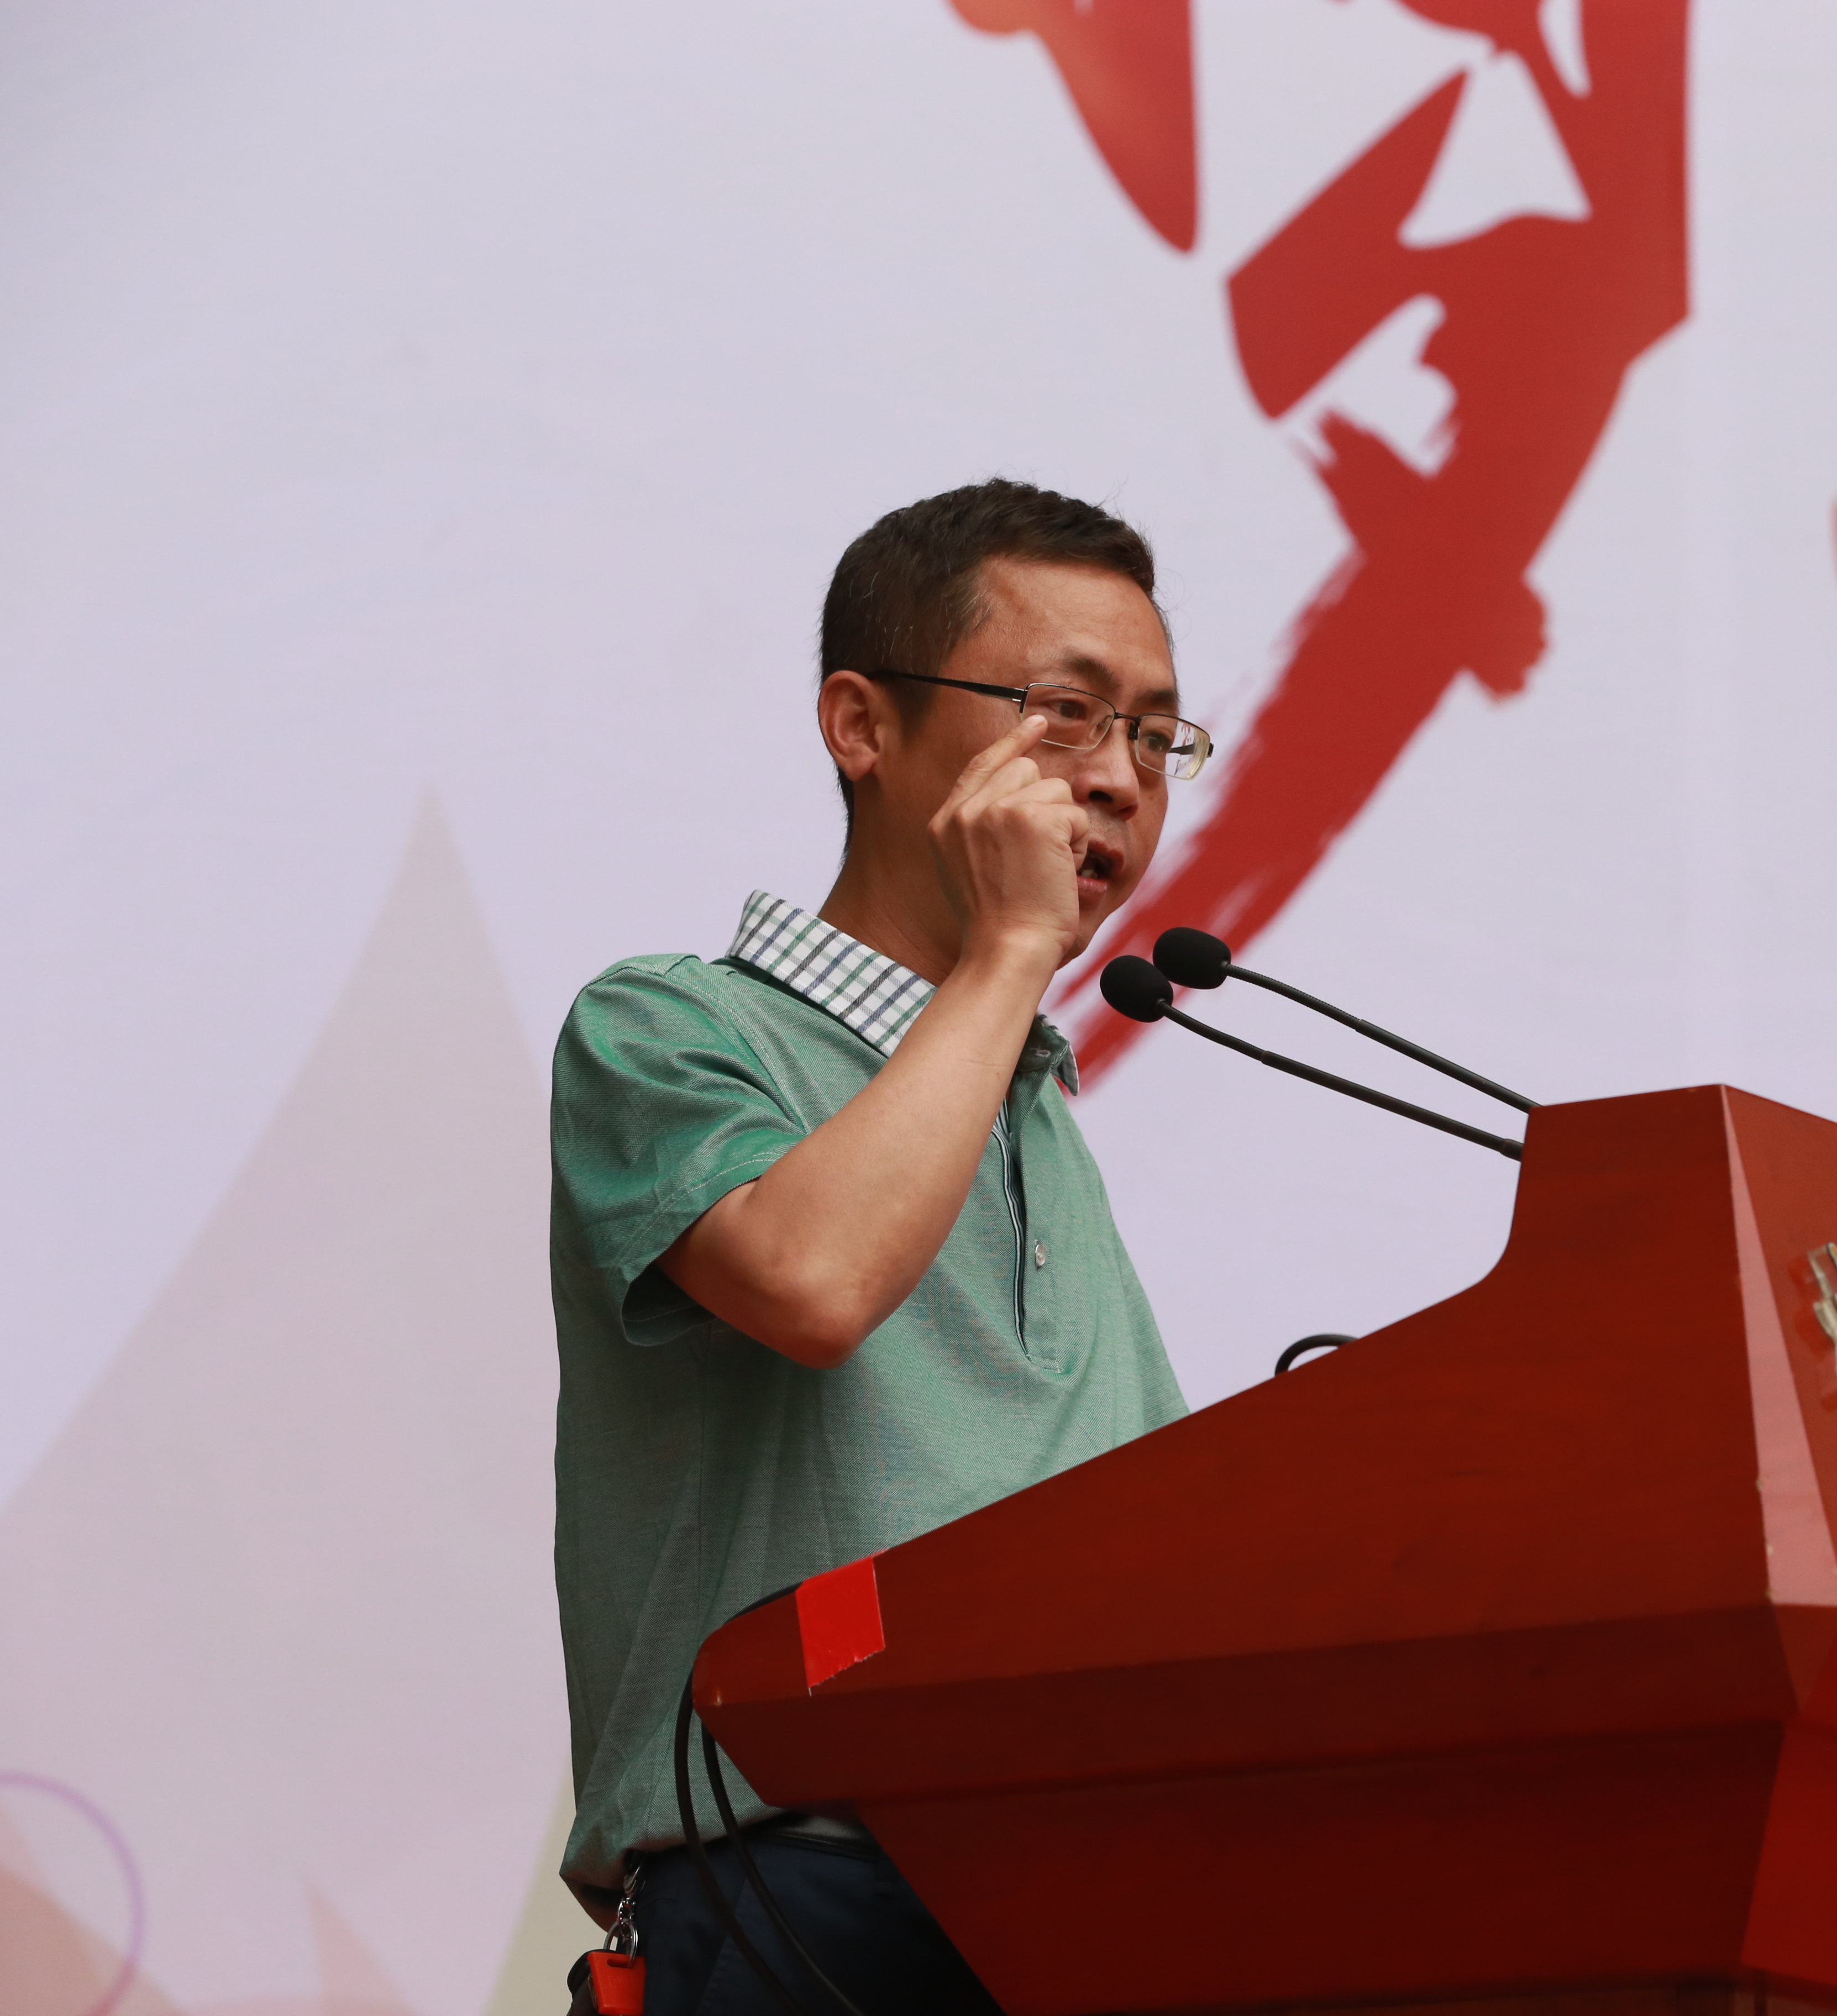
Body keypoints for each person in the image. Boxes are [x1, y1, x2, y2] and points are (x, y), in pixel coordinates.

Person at [546, 480, 1207, 2012]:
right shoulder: (670, 1028)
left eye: (1158, 737)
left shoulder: (1035, 1112)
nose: (1120, 780)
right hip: (803, 1899)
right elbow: (815, 1281)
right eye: (1066, 714)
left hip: (1097, 1907)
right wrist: (1013, 951)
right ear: (862, 725)